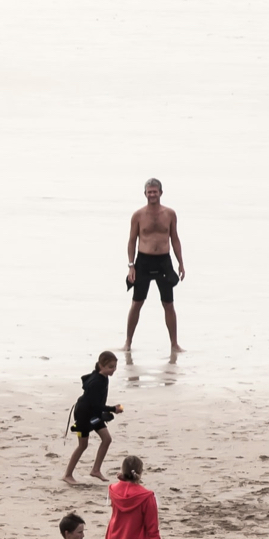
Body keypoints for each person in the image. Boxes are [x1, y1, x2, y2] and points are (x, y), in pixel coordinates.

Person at [124, 178, 185, 349]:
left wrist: (181, 263)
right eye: (149, 192)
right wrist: (131, 266)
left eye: (155, 191)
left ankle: (174, 344)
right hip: (143, 260)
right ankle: (128, 342)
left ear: (161, 193)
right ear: (145, 194)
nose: (152, 194)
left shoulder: (170, 214)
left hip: (164, 262)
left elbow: (175, 239)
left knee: (168, 304)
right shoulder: (138, 215)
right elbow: (131, 241)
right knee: (137, 302)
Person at [62, 352, 121, 483]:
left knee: (107, 439)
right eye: (110, 367)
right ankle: (67, 475)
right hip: (83, 416)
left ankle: (96, 470)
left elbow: (96, 406)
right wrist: (113, 409)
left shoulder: (104, 377)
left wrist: (103, 414)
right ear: (101, 365)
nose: (113, 370)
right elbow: (96, 405)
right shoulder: (96, 382)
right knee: (82, 445)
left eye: (115, 366)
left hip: (93, 416)